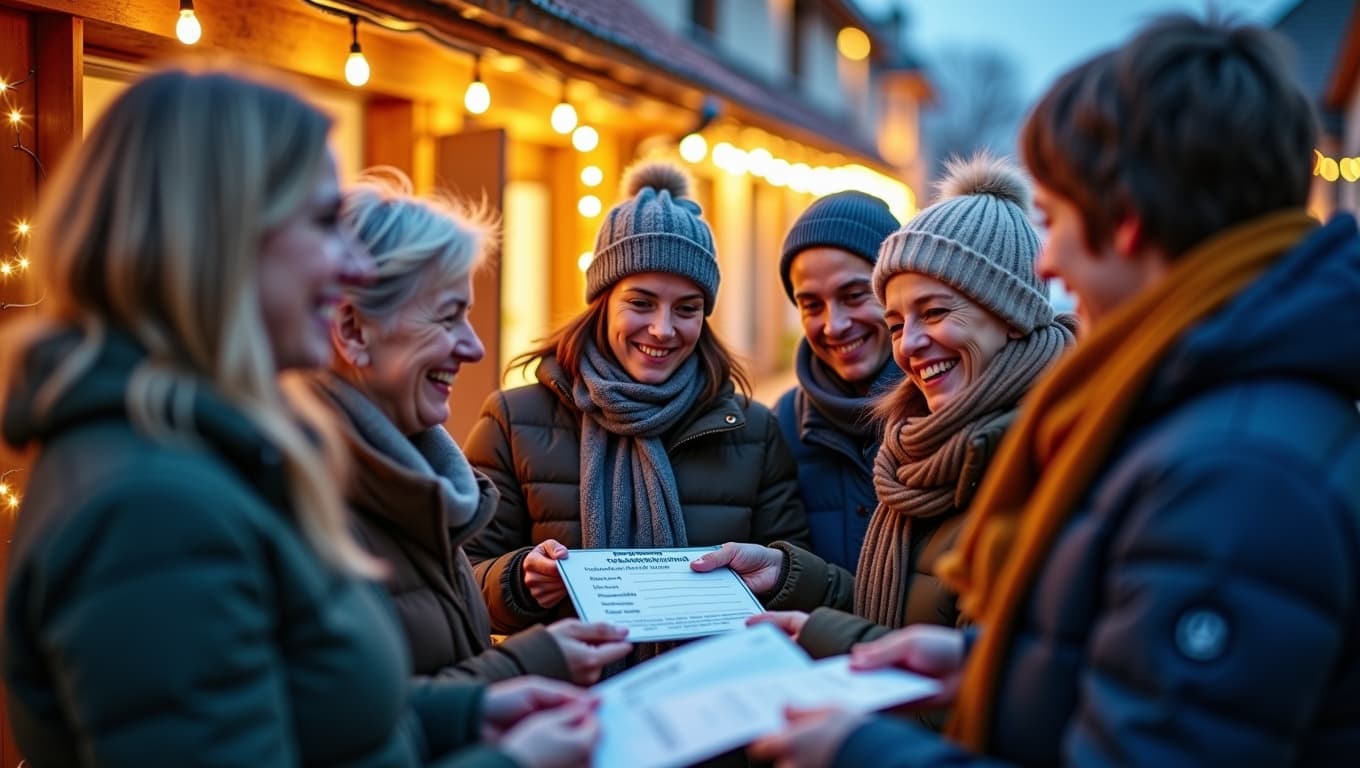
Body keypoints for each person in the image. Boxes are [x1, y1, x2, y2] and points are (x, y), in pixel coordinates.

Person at [749, 15, 1360, 768]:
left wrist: (861, 752)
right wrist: (984, 665)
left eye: (1053, 219)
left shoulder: (1237, 468)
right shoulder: (1198, 402)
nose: (1045, 265)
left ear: (1125, 219)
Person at [1, 65, 597, 767]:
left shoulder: (214, 451)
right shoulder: (151, 506)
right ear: (221, 238)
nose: (351, 266)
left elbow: (303, 713)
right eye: (321, 223)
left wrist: (467, 714)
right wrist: (514, 762)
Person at [693, 154, 1074, 665]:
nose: (909, 344)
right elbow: (908, 616)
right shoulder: (919, 440)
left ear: (1009, 312)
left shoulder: (1047, 449)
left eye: (934, 311)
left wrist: (832, 643)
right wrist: (791, 577)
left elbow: (993, 675)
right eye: (897, 323)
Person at [463, 161, 810, 658]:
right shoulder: (513, 421)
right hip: (569, 693)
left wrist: (771, 576)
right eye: (641, 303)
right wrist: (518, 580)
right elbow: (462, 578)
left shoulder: (753, 430)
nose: (663, 329)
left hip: (708, 692)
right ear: (602, 301)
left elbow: (795, 582)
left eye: (687, 308)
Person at [313, 169, 631, 685]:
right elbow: (346, 716)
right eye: (447, 318)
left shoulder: (421, 485)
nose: (474, 347)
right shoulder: (302, 499)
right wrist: (528, 662)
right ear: (353, 330)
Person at [774, 191, 902, 573]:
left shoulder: (946, 405)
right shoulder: (784, 423)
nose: (835, 325)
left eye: (854, 295)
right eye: (812, 304)